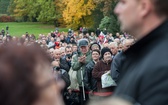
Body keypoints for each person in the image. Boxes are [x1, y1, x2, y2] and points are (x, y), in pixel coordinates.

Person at [107, 0, 168, 104]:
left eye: (123, 3)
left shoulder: (161, 64)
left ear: (144, 7)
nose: (116, 10)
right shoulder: (144, 53)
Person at [71, 39, 92, 105]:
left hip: (90, 82)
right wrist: (79, 62)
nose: (83, 49)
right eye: (81, 47)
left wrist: (85, 61)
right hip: (81, 83)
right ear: (79, 48)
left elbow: (93, 63)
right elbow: (74, 67)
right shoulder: (76, 56)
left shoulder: (92, 55)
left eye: (84, 47)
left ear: (88, 46)